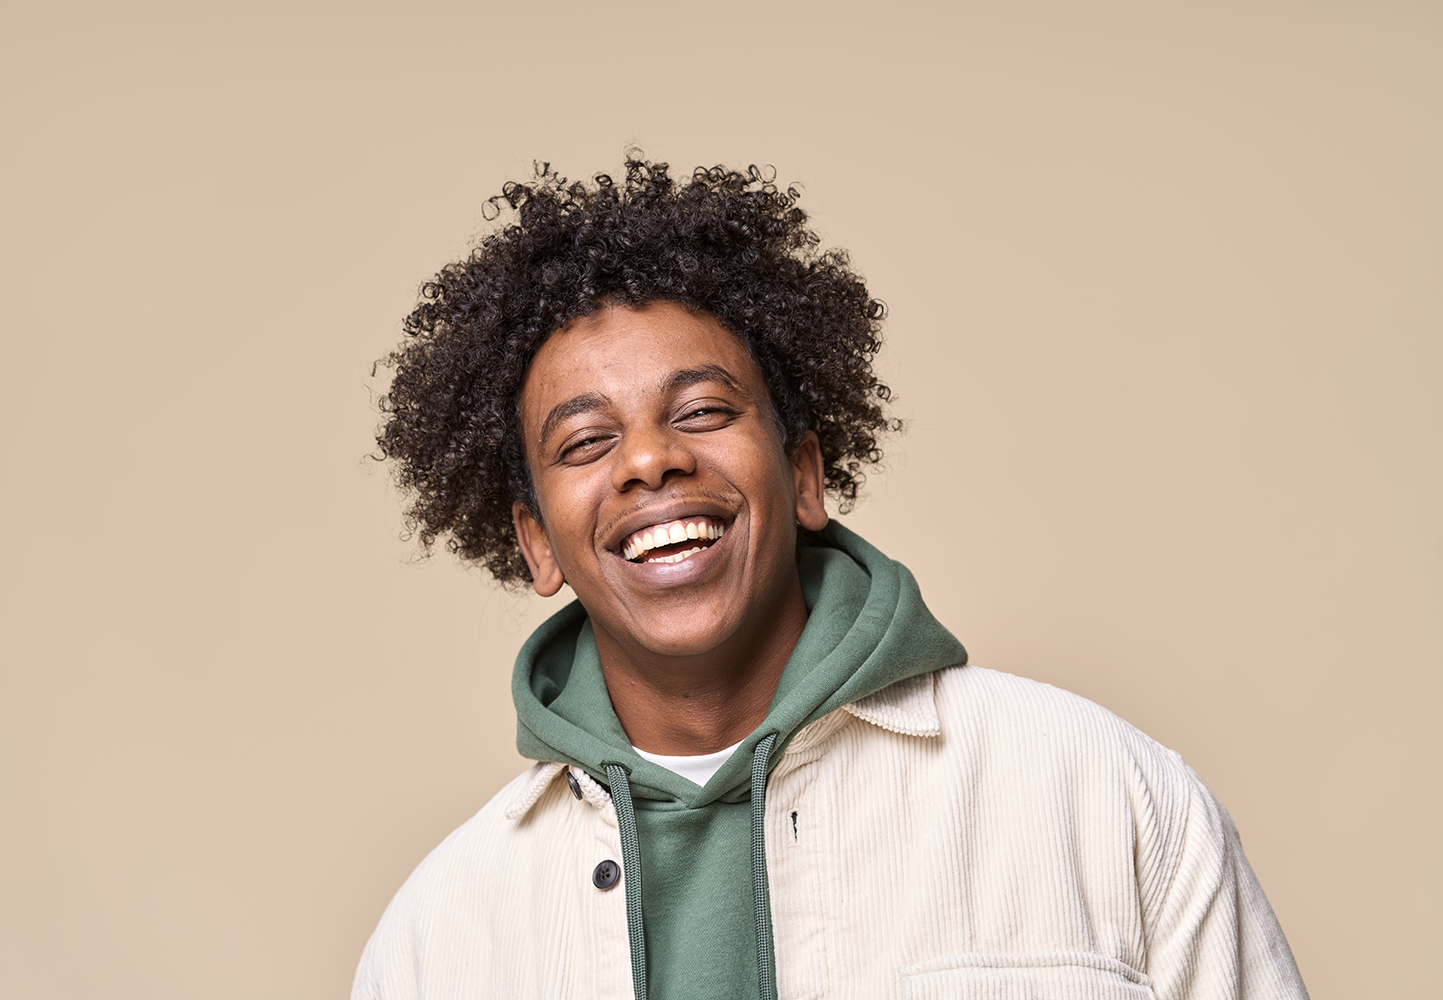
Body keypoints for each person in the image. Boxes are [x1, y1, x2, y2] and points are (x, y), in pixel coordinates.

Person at [353, 157, 1308, 1000]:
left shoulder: (1102, 795)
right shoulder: (437, 939)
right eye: (588, 441)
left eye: (701, 410)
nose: (649, 462)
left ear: (804, 474)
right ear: (537, 545)